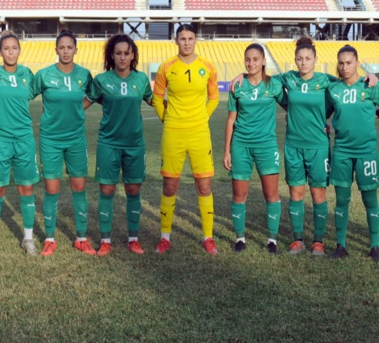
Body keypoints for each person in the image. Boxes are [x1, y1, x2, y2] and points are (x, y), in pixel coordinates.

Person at [230, 37, 376, 256]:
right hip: (293, 145)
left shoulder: (326, 80)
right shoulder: (287, 79)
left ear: (315, 59)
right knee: (296, 193)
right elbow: (259, 77)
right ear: (295, 60)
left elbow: (348, 82)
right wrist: (242, 74)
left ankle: (318, 241)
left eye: (308, 58)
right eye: (300, 59)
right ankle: (298, 240)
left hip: (318, 145)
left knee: (318, 195)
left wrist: (370, 76)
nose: (304, 62)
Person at [152, 24, 220, 255]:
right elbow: (156, 97)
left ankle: (208, 237)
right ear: (176, 40)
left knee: (204, 185)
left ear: (196, 40)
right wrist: (167, 120)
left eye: (191, 38)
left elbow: (214, 98)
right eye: (183, 39)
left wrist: (201, 118)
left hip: (200, 133)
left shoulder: (207, 67)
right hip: (173, 132)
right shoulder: (166, 68)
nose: (187, 43)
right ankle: (164, 237)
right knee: (170, 185)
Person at [85, 34, 153, 256]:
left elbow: (157, 101)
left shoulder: (141, 80)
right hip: (108, 143)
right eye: (118, 53)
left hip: (134, 145)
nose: (122, 57)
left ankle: (133, 239)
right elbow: (81, 105)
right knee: (107, 190)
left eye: (126, 53)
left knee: (133, 190)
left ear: (133, 55)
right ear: (111, 56)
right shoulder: (102, 81)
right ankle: (105, 240)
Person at [31, 30, 94, 256]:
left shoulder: (84, 75)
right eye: (62, 47)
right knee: (51, 189)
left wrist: (78, 109)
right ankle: (49, 239)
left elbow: (93, 96)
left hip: (76, 139)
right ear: (56, 49)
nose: (66, 51)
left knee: (79, 188)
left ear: (76, 49)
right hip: (50, 140)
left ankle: (82, 238)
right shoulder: (44, 75)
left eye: (70, 47)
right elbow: (24, 95)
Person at [326, 45, 379, 262]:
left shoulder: (371, 85)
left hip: (367, 151)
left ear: (357, 63)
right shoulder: (334, 89)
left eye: (349, 62)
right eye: (341, 63)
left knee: (370, 199)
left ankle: (374, 246)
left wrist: (371, 116)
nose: (344, 67)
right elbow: (323, 112)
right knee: (342, 199)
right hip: (342, 151)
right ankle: (341, 245)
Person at [223, 43, 286, 254]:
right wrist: (227, 151)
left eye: (255, 59)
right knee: (239, 194)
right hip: (240, 145)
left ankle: (272, 240)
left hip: (267, 146)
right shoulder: (237, 86)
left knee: (271, 194)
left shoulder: (274, 86)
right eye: (247, 60)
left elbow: (292, 105)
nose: (251, 63)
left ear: (263, 61)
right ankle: (240, 238)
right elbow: (231, 120)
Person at [0, 30, 39, 256]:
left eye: (14, 48)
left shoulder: (27, 74)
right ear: (0, 51)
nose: (10, 52)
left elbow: (37, 94)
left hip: (24, 139)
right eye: (6, 48)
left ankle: (28, 238)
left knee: (26, 188)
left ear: (19, 50)